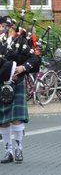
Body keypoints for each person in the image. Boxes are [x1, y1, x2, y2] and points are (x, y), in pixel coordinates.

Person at [0, 19, 40, 163]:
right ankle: (8, 150)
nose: (3, 29)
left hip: (17, 83)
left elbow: (35, 59)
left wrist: (23, 68)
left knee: (17, 119)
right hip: (1, 84)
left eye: (6, 27)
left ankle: (18, 149)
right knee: (3, 121)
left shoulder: (21, 42)